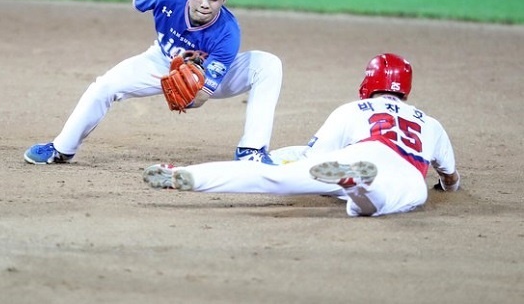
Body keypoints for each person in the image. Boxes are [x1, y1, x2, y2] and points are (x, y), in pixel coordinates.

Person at [24, 0, 282, 165]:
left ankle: (251, 150)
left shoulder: (228, 32)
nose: (205, 3)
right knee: (103, 87)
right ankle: (61, 149)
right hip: (160, 60)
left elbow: (202, 96)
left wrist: (187, 92)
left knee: (267, 64)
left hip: (208, 78)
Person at [142, 53, 460, 217]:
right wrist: (447, 184)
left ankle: (184, 176)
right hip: (407, 173)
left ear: (369, 82)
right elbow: (450, 177)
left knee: (271, 179)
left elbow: (313, 157)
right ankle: (358, 185)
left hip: (361, 154)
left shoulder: (354, 110)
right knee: (382, 204)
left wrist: (282, 161)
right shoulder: (430, 124)